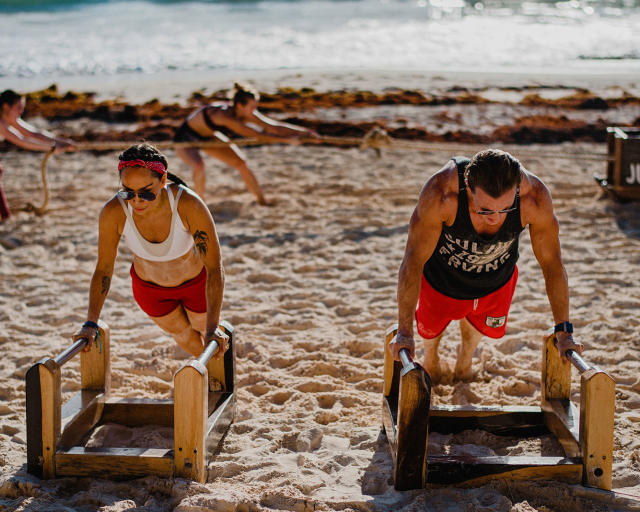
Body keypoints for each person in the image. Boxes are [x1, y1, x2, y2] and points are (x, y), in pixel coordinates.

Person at [390, 149, 584, 383]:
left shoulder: (533, 198)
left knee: (472, 344)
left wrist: (564, 331)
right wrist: (404, 331)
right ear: (467, 187)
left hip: (495, 279)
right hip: (441, 277)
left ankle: (464, 360)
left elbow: (552, 263)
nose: (496, 218)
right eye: (485, 210)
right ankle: (432, 358)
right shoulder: (442, 193)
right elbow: (413, 259)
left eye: (505, 209)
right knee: (430, 337)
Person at [72, 143, 228, 361]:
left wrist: (212, 328)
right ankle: (213, 376)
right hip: (151, 291)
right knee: (183, 335)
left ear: (163, 180)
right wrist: (90, 322)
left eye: (146, 193)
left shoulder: (187, 204)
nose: (136, 200)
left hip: (196, 285)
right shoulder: (114, 211)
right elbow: (104, 269)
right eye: (128, 192)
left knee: (208, 334)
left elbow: (214, 266)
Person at [174, 82, 317, 205]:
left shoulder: (244, 112)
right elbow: (257, 135)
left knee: (241, 163)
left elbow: (274, 127)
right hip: (186, 137)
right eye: (252, 107)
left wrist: (305, 133)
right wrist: (287, 140)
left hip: (208, 136)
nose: (254, 111)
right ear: (240, 105)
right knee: (199, 165)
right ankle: (200, 201)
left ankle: (261, 200)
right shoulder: (224, 117)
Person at [0, 89, 76, 222]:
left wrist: (61, 141)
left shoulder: (8, 119)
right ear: (6, 106)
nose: (21, 112)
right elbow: (21, 141)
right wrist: (52, 148)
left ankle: (5, 218)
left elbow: (34, 133)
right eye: (18, 108)